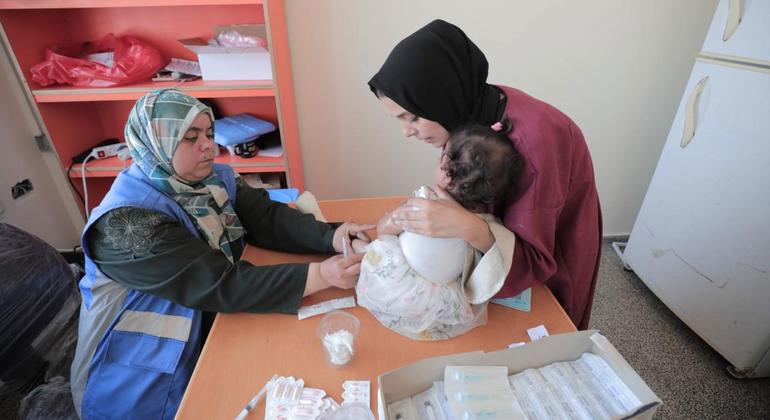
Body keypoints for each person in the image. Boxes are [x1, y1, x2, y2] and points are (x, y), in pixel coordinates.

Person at [70, 89, 372, 419]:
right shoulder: (125, 224)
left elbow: (266, 218)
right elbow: (217, 284)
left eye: (210, 134)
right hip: (139, 377)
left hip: (209, 328)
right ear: (156, 142)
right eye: (190, 137)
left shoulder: (210, 180)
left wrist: (333, 236)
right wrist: (322, 275)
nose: (209, 146)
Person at [368, 19, 602, 330]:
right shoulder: (467, 115)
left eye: (410, 117)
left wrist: (469, 227)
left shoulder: (535, 144)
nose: (406, 132)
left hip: (549, 244)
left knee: (546, 333)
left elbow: (536, 258)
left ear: (438, 97)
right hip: (504, 242)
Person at [356, 125, 520, 340]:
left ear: (446, 174)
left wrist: (389, 219)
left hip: (398, 288)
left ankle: (361, 250)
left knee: (383, 246)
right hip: (439, 302)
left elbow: (384, 229)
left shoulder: (424, 200)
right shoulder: (484, 224)